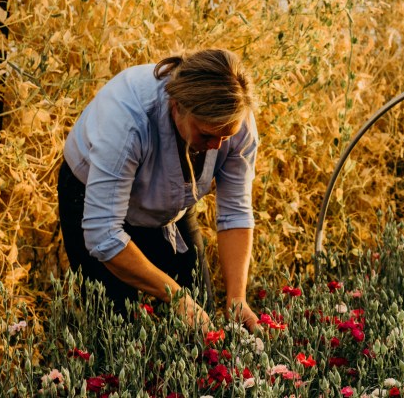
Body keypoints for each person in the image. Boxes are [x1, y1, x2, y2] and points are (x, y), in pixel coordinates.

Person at [57, 48, 261, 331]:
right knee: (118, 331)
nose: (217, 146)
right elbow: (104, 235)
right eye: (207, 135)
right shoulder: (127, 120)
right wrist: (175, 296)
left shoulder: (236, 120)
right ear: (177, 106)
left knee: (202, 325)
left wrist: (237, 299)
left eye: (225, 136)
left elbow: (235, 214)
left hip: (171, 207)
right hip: (91, 202)